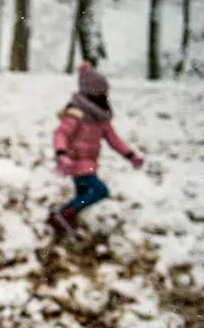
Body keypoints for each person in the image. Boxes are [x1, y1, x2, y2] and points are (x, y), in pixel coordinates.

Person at [47, 62, 145, 238]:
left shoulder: (101, 118)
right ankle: (62, 214)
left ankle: (67, 221)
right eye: (102, 92)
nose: (105, 96)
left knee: (83, 195)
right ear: (92, 92)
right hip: (76, 161)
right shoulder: (76, 114)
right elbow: (61, 134)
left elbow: (114, 139)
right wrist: (61, 153)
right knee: (100, 191)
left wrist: (130, 155)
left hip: (89, 162)